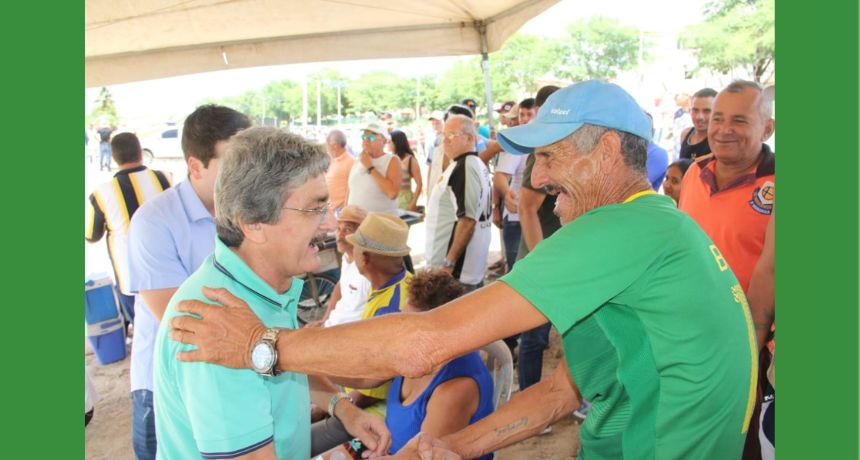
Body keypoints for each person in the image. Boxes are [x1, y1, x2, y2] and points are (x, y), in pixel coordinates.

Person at [170, 80, 757, 460]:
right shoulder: (649, 222)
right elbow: (563, 390)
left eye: (549, 157)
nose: (539, 179)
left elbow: (422, 343)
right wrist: (455, 445)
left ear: (606, 154)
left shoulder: (617, 230)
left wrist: (262, 347)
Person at [153, 127, 389, 460]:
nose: (329, 226)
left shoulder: (263, 288)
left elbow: (283, 361)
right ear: (253, 223)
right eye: (313, 209)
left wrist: (343, 409)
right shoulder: (216, 326)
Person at [126, 105, 252, 460]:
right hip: (166, 386)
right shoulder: (154, 222)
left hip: (231, 374)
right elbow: (179, 321)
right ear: (196, 166)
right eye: (234, 162)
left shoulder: (247, 213)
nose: (247, 173)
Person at [677, 80, 775, 460]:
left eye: (739, 120)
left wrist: (749, 352)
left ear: (767, 128)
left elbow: (771, 279)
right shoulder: (694, 173)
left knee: (743, 439)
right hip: (692, 334)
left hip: (751, 341)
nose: (723, 129)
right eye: (717, 119)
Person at [310, 212, 413, 455]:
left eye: (356, 246)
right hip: (361, 396)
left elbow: (371, 390)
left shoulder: (390, 309)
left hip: (377, 412)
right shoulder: (396, 286)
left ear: (365, 258)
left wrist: (332, 406)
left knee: (296, 440)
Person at [378, 269, 494, 458]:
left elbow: (423, 455)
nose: (401, 331)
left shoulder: (457, 388)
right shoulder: (412, 353)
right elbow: (363, 376)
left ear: (440, 330)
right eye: (402, 318)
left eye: (411, 326)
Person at [86, 132, 172, 325]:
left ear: (114, 158)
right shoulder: (164, 179)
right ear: (141, 153)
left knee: (143, 327)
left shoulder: (101, 193)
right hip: (171, 268)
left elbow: (91, 235)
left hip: (130, 277)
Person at [513, 87, 560, 396]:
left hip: (562, 257)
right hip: (542, 260)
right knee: (533, 335)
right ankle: (529, 396)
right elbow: (527, 208)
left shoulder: (564, 146)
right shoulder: (543, 151)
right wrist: (540, 262)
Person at [424, 114, 493, 292]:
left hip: (456, 273)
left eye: (451, 135)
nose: (445, 141)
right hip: (462, 269)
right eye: (443, 135)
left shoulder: (465, 167)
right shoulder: (471, 164)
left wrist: (448, 263)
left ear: (470, 138)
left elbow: (468, 220)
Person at [306, 205, 371, 328]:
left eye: (347, 229)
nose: (339, 236)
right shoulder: (347, 257)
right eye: (338, 229)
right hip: (332, 327)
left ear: (362, 233)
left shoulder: (369, 270)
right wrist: (324, 321)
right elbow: (340, 287)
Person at [347, 122, 401, 216]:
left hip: (380, 224)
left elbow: (392, 193)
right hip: (356, 222)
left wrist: (370, 167)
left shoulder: (391, 160)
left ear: (384, 141)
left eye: (371, 138)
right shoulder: (358, 160)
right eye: (364, 137)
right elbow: (350, 190)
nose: (366, 140)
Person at [679, 88, 718, 160]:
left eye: (707, 111)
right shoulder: (685, 134)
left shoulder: (720, 140)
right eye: (695, 110)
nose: (699, 117)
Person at [389, 130, 423, 211]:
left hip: (405, 201)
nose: (388, 144)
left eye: (390, 142)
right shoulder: (390, 158)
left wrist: (413, 203)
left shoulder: (410, 160)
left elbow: (419, 183)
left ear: (396, 143)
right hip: (391, 201)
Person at [325, 129, 354, 211]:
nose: (326, 147)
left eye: (327, 144)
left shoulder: (350, 162)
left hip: (340, 209)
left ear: (335, 145)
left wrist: (345, 208)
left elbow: (351, 188)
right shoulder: (331, 159)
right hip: (329, 208)